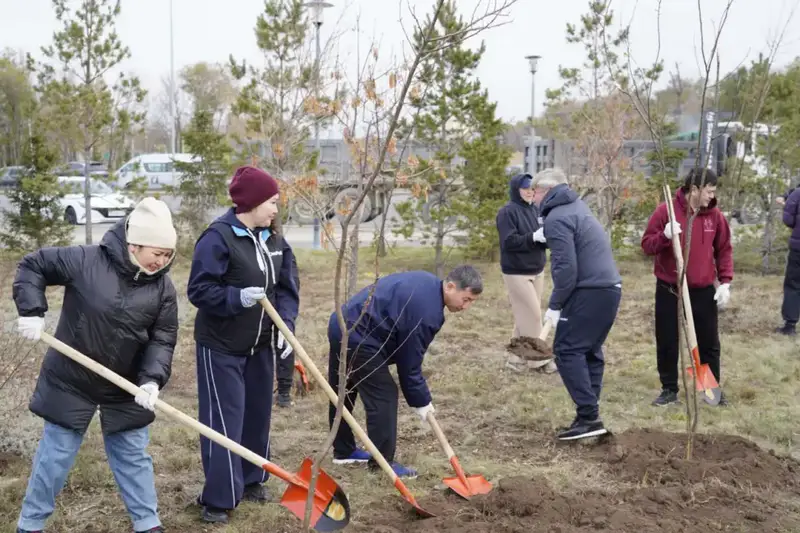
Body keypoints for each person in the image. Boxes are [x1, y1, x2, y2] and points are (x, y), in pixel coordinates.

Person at [12, 197, 179, 533]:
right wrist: (31, 310)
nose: (161, 262)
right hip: (71, 380)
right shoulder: (86, 260)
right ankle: (30, 524)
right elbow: (34, 265)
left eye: (168, 255)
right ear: (134, 244)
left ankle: (148, 523)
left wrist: (151, 380)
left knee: (133, 455)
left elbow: (162, 339)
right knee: (55, 456)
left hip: (125, 385)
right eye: (156, 253)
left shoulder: (162, 289)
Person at [187, 166, 300, 524]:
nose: (275, 210)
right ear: (251, 202)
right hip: (221, 347)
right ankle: (219, 499)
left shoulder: (274, 240)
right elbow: (199, 290)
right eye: (271, 202)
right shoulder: (218, 238)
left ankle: (252, 479)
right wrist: (237, 298)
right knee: (224, 421)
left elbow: (286, 288)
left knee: (256, 416)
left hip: (260, 346)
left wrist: (286, 328)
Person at [327, 266, 483, 478]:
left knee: (345, 388)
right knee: (384, 394)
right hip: (360, 336)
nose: (466, 307)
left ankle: (343, 450)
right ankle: (382, 464)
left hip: (342, 322)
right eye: (466, 299)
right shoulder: (427, 312)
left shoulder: (427, 282)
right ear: (450, 286)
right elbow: (409, 362)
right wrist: (422, 401)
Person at [531, 168, 622, 441]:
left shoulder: (557, 218)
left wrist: (555, 304)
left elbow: (566, 268)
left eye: (534, 192)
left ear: (545, 191)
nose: (532, 198)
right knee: (590, 351)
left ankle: (588, 416)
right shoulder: (577, 207)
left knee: (568, 350)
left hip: (589, 290)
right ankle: (589, 416)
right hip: (609, 288)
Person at [641, 168, 733, 407]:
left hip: (702, 289)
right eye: (709, 191)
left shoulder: (715, 217)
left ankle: (709, 390)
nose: (711, 196)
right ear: (694, 190)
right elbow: (647, 245)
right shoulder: (666, 212)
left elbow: (724, 250)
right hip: (670, 288)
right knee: (668, 340)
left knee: (708, 342)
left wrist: (725, 283)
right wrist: (665, 235)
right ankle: (669, 390)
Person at [495, 172, 555, 374]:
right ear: (516, 190)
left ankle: (514, 359)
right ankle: (539, 360)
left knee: (524, 319)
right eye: (525, 188)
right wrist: (532, 238)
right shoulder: (507, 212)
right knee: (534, 317)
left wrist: (546, 237)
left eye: (532, 189)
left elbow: (541, 237)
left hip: (537, 270)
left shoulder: (535, 209)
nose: (530, 192)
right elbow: (509, 242)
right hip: (516, 272)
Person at [275, 254, 300, 406]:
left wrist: (287, 321)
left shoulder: (279, 245)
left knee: (284, 337)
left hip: (281, 292)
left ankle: (284, 392)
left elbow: (289, 290)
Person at [775, 186, 800, 335]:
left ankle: (790, 325)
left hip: (798, 249)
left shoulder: (797, 194)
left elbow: (788, 219)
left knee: (793, 285)